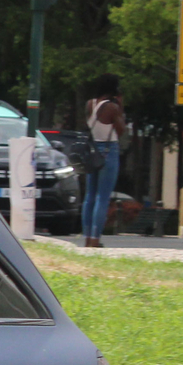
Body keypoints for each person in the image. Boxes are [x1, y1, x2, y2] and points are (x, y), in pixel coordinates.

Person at [79, 78, 126, 248]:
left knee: (89, 196)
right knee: (102, 197)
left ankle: (86, 237)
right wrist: (120, 106)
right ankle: (95, 238)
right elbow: (121, 129)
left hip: (92, 150)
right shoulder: (112, 108)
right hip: (108, 149)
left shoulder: (89, 104)